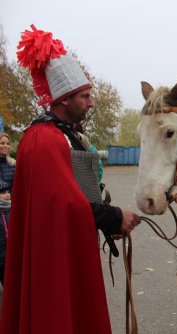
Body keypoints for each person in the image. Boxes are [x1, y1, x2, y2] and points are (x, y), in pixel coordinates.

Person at [0, 25, 141, 333]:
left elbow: (78, 195)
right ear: (64, 100)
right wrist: (114, 217)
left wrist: (105, 219)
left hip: (68, 250)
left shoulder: (65, 136)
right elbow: (66, 204)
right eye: (85, 96)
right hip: (51, 263)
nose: (91, 103)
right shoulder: (44, 140)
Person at [0, 180, 11, 287]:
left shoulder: (11, 210)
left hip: (8, 254)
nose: (7, 195)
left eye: (8, 192)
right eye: (3, 193)